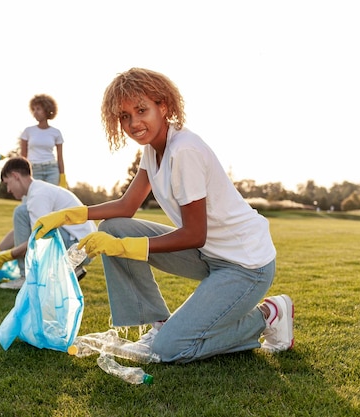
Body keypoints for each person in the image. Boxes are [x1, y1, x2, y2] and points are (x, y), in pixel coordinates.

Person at [33, 68, 293, 363]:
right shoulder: (152, 150)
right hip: (208, 255)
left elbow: (195, 233)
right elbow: (125, 207)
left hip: (245, 265)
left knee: (170, 349)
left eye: (141, 110)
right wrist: (69, 215)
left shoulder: (184, 150)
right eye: (124, 116)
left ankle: (268, 315)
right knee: (115, 228)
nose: (134, 123)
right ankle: (159, 324)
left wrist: (124, 248)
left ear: (164, 106)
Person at [0, 156, 96, 290]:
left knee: (22, 213)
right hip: (80, 246)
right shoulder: (37, 191)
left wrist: (7, 256)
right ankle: (69, 269)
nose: (8, 189)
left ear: (15, 176)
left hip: (78, 249)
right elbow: (19, 232)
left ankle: (27, 277)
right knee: (22, 213)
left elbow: (38, 238)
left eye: (8, 183)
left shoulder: (38, 195)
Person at [19, 94, 68, 188]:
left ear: (47, 110)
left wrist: (62, 176)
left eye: (38, 109)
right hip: (33, 170)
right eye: (33, 109)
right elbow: (23, 156)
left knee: (50, 199)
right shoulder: (28, 131)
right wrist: (22, 174)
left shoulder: (56, 132)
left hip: (52, 170)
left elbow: (60, 158)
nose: (35, 112)